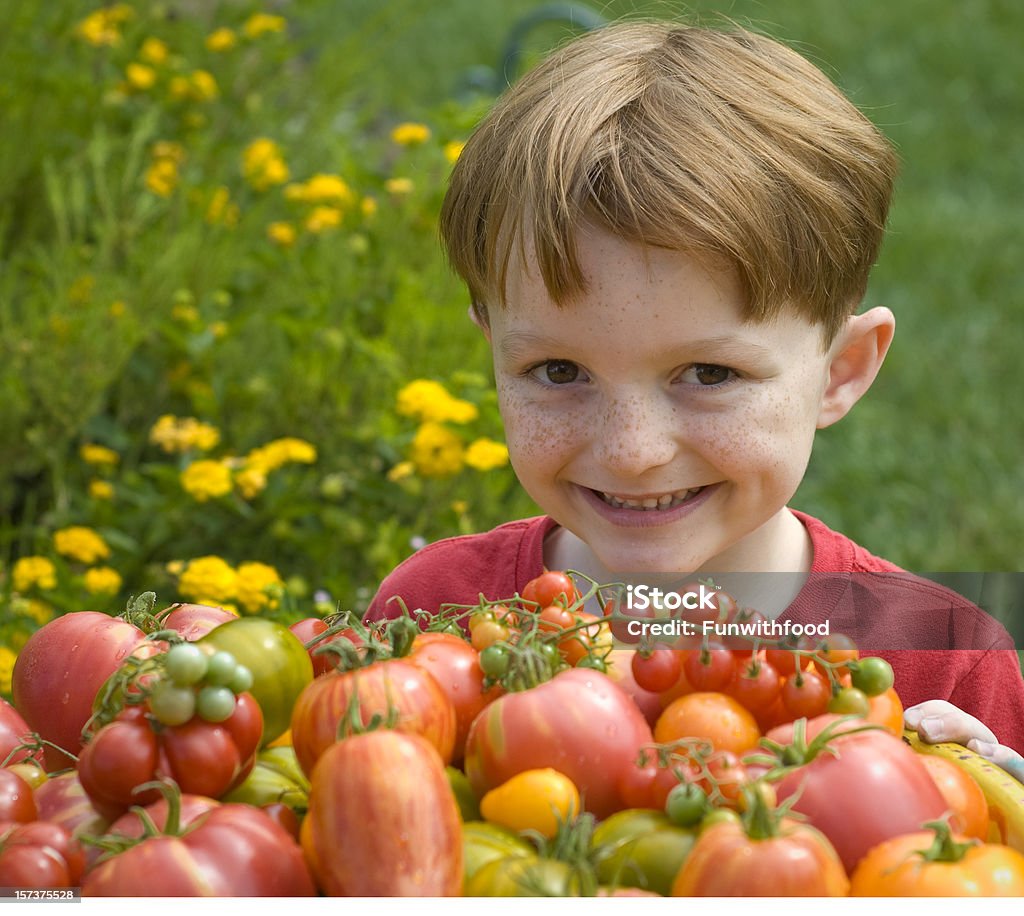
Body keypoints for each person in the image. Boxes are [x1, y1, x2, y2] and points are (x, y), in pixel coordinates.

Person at [365, 20, 1024, 761]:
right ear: (494, 350)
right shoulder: (432, 616)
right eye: (558, 371)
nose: (632, 453)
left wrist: (993, 815)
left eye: (710, 374)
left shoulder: (946, 661)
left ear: (841, 371)